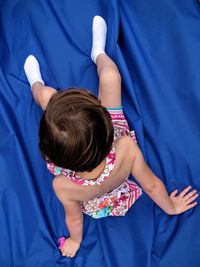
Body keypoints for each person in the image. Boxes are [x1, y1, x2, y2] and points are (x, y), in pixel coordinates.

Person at [24, 16, 198, 258]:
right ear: (105, 121)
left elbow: (73, 215)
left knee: (46, 97)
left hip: (93, 188)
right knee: (111, 77)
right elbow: (153, 185)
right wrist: (171, 207)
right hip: (109, 157)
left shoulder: (63, 185)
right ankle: (99, 54)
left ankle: (36, 85)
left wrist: (75, 240)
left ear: (55, 159)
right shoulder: (125, 146)